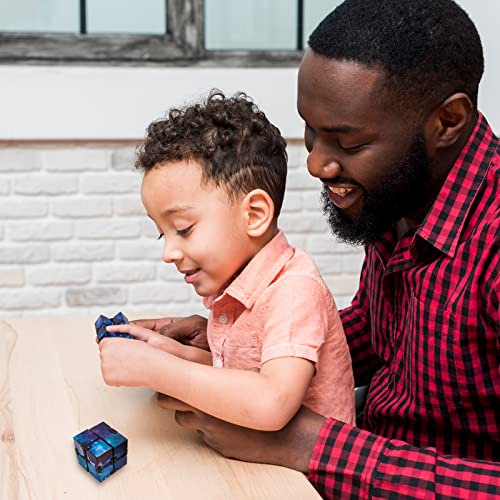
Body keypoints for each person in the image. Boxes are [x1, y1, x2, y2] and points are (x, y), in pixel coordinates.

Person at [132, 0, 500, 497]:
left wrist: (306, 444)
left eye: (347, 143)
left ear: (447, 121)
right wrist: (254, 340)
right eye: (311, 132)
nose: (317, 165)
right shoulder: (403, 198)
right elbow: (379, 334)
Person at [98, 91, 355, 431]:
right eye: (164, 235)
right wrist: (169, 354)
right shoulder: (239, 285)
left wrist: (158, 370)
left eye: (183, 229)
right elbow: (238, 373)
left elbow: (271, 401)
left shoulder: (294, 292)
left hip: (304, 482)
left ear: (254, 214)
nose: (168, 253)